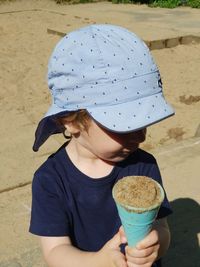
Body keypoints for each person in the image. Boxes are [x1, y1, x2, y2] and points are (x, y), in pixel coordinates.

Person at [29, 24, 175, 267]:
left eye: (144, 123)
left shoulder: (143, 165)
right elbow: (55, 251)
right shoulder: (50, 180)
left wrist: (157, 244)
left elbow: (160, 225)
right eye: (125, 125)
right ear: (70, 120)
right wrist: (100, 261)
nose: (140, 136)